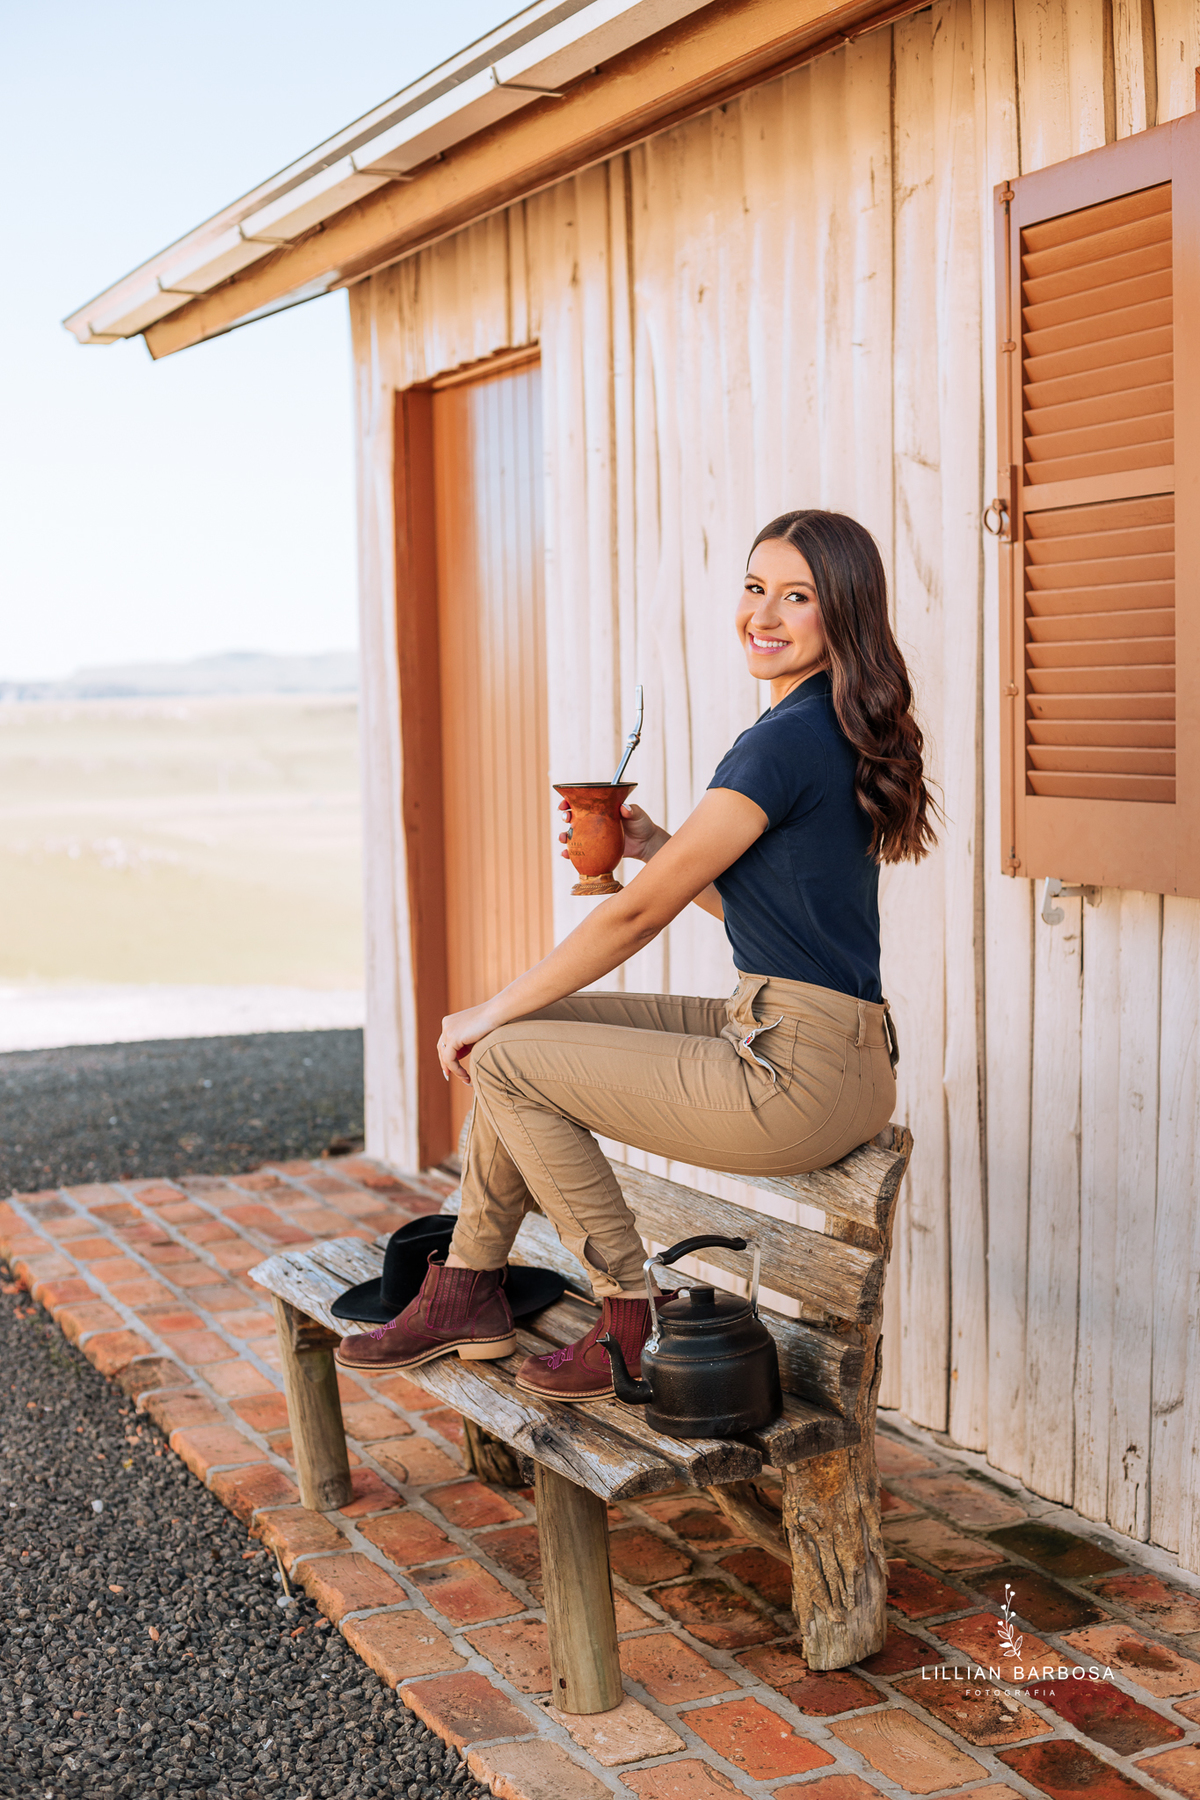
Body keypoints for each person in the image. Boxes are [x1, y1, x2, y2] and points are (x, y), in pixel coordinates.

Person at [335, 509, 935, 1399]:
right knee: (525, 1039)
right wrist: (652, 842)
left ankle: (626, 1315)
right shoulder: (826, 724)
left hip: (793, 1075)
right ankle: (464, 1288)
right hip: (822, 1047)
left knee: (503, 1048)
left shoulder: (781, 743)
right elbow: (756, 906)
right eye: (754, 587)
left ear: (840, 612)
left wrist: (485, 1008)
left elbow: (633, 921)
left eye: (796, 597)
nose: (762, 616)